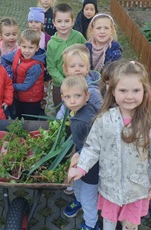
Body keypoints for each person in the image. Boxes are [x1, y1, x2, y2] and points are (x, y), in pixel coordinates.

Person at [68, 61, 151, 230]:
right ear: (113, 91)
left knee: (130, 225)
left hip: (137, 189)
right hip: (110, 188)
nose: (129, 96)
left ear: (145, 92)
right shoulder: (104, 120)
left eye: (136, 90)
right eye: (123, 90)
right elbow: (92, 147)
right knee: (109, 222)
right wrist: (81, 167)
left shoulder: (150, 125)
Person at [61, 77, 100, 230]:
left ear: (87, 96)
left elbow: (96, 144)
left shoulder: (86, 120)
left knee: (88, 197)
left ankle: (91, 224)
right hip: (80, 160)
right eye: (68, 97)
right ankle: (78, 201)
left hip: (92, 166)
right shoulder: (78, 112)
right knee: (77, 185)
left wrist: (81, 153)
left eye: (77, 96)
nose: (73, 101)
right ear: (63, 97)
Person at [46, 3, 86, 116]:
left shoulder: (78, 37)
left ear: (72, 21)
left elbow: (87, 55)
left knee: (79, 112)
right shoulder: (51, 44)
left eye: (66, 21)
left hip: (79, 83)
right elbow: (51, 67)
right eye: (59, 21)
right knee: (60, 113)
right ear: (54, 22)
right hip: (59, 86)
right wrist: (63, 81)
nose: (63, 25)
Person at [1, 29, 46, 120]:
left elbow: (26, 86)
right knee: (19, 119)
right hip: (18, 97)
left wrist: (9, 85)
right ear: (20, 45)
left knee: (30, 121)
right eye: (24, 47)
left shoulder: (35, 66)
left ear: (37, 48)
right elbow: (3, 59)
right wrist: (7, 71)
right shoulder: (17, 53)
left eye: (31, 47)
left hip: (31, 100)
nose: (26, 51)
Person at [56, 44, 102, 119]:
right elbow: (64, 108)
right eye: (72, 66)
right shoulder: (67, 85)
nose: (77, 69)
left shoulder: (92, 90)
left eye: (81, 66)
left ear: (87, 69)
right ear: (66, 70)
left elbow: (100, 112)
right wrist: (58, 121)